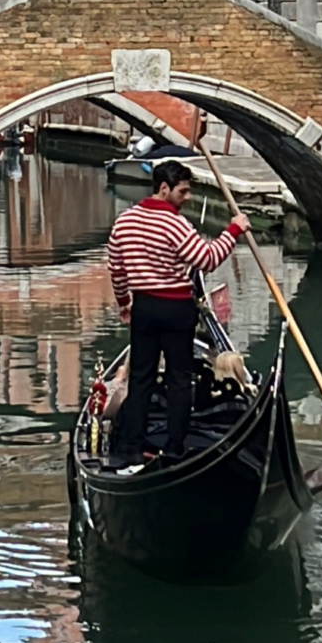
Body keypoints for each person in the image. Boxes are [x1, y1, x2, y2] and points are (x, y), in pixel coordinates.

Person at [106, 160, 250, 465]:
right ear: (164, 188)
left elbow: (116, 269)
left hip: (144, 307)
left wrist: (124, 303)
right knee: (179, 379)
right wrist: (234, 230)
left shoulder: (124, 221)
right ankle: (173, 448)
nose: (187, 198)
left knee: (141, 378)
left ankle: (132, 446)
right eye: (182, 192)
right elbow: (207, 259)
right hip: (176, 309)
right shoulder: (176, 224)